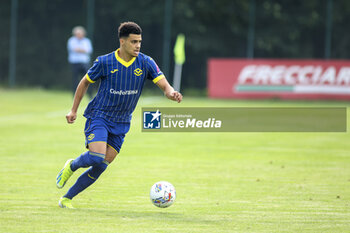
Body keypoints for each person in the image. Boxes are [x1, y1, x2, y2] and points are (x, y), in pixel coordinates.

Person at [56, 22, 183, 208]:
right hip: (99, 115)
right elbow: (84, 83)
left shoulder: (146, 62)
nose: (138, 45)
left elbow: (164, 85)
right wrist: (73, 110)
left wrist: (171, 93)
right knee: (96, 157)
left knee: (101, 166)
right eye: (133, 42)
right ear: (122, 42)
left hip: (122, 122)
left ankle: (66, 199)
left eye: (139, 41)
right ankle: (72, 165)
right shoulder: (104, 62)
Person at [67, 26, 93, 97]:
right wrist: (83, 50)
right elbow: (74, 49)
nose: (79, 35)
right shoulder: (71, 40)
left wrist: (80, 50)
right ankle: (75, 95)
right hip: (74, 62)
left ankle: (90, 94)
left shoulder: (87, 41)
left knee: (88, 78)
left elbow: (89, 50)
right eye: (77, 34)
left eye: (80, 33)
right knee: (75, 79)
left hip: (84, 62)